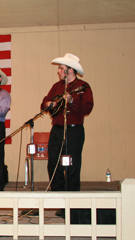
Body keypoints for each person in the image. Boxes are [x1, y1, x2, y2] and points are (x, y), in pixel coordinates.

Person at [41, 53, 94, 192]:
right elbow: (44, 103)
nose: (58, 71)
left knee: (72, 165)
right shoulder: (57, 86)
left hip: (74, 130)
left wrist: (72, 101)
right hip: (57, 129)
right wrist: (49, 103)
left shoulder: (83, 86)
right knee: (53, 164)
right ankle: (58, 199)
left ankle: (72, 203)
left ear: (69, 70)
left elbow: (87, 108)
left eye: (60, 68)